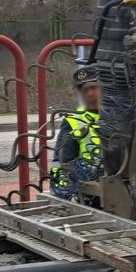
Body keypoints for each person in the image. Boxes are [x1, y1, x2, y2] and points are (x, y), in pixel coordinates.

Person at [49, 65, 102, 202]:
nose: (90, 93)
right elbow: (61, 164)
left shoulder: (120, 117)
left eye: (94, 87)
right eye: (85, 90)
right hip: (89, 194)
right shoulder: (73, 122)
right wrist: (64, 196)